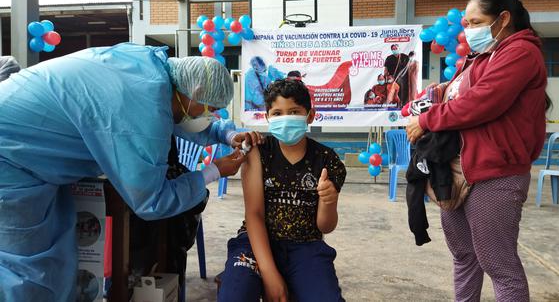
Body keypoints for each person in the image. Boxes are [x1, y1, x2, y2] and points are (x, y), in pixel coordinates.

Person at [0, 43, 263, 301]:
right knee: (28, 272)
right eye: (211, 109)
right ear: (194, 91)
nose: (212, 116)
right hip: (11, 157)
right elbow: (152, 200)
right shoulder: (144, 108)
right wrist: (214, 171)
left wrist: (226, 133)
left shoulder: (151, 70)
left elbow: (179, 116)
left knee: (57, 255)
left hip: (29, 149)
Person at [406, 0, 550, 302]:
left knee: (499, 266)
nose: (469, 30)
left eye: (475, 22)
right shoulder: (479, 57)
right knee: (464, 258)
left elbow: (482, 102)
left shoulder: (521, 52)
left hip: (494, 173)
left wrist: (427, 121)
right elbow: (457, 96)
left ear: (503, 19)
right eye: (467, 24)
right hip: (457, 170)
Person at [218, 79, 347, 302]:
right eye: (277, 113)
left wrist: (328, 201)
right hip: (254, 244)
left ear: (310, 115)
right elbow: (254, 215)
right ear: (268, 117)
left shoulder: (327, 160)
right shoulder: (258, 152)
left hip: (305, 246)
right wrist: (269, 274)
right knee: (234, 294)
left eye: (294, 111)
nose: (285, 118)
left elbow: (325, 226)